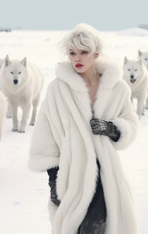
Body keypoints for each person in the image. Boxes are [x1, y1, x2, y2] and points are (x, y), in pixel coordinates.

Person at [29, 23, 139, 234]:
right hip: (72, 172)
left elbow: (131, 123)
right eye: (72, 53)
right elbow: (46, 135)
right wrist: (53, 180)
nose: (77, 58)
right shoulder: (58, 89)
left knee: (100, 224)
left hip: (107, 170)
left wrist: (111, 128)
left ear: (96, 53)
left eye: (83, 52)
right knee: (79, 227)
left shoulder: (117, 88)